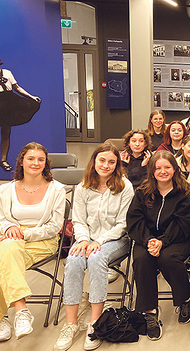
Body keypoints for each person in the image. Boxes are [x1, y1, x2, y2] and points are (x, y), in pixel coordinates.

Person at [54, 143, 134, 351]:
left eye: (111, 162)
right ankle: (70, 324)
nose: (106, 165)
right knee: (72, 259)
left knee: (97, 258)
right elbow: (78, 220)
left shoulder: (125, 187)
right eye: (102, 160)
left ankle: (95, 324)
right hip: (86, 239)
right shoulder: (83, 187)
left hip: (116, 240)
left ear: (117, 165)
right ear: (94, 161)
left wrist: (100, 241)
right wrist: (83, 240)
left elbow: (123, 224)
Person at [126, 151, 190, 340]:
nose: (162, 171)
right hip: (146, 238)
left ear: (174, 169)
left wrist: (162, 241)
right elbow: (134, 221)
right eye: (158, 168)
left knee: (168, 258)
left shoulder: (184, 193)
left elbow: (183, 223)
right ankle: (150, 312)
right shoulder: (142, 192)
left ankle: (185, 298)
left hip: (176, 238)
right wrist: (149, 240)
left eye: (167, 167)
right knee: (141, 259)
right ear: (152, 170)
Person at [0, 142, 65, 340]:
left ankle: (3, 317)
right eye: (31, 158)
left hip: (43, 239)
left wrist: (24, 234)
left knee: (4, 255)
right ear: (21, 161)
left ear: (46, 164)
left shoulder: (57, 190)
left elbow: (55, 226)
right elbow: (1, 218)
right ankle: (21, 312)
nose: (35, 163)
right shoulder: (6, 190)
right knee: (8, 250)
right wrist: (8, 228)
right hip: (10, 237)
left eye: (40, 159)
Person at [0, 61, 41, 171]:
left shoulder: (7, 73)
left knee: (6, 131)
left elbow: (17, 88)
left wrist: (31, 97)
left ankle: (3, 160)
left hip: (9, 103)